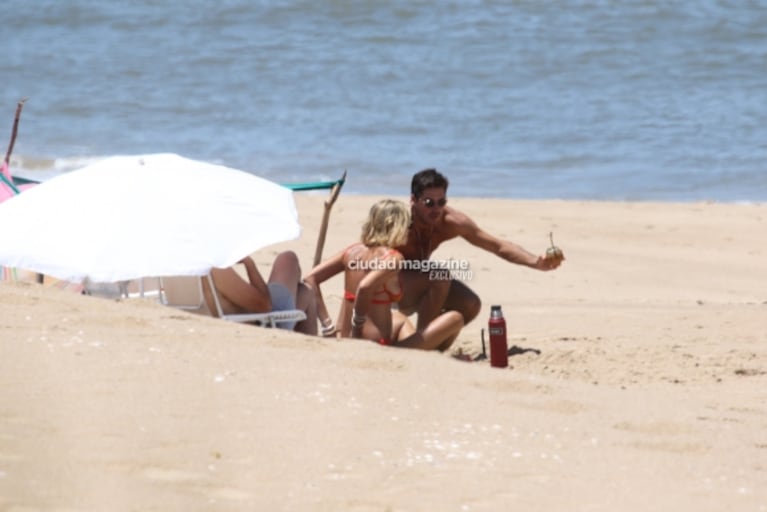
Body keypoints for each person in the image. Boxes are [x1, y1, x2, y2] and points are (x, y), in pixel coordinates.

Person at [397, 168, 565, 330]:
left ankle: (430, 345)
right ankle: (420, 343)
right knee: (440, 277)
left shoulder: (451, 222)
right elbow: (371, 253)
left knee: (470, 304)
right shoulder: (398, 222)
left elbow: (497, 246)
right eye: (429, 203)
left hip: (420, 280)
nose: (436, 209)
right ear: (413, 200)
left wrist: (536, 262)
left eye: (441, 202)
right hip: (389, 283)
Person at [304, 199, 463, 350]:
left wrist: (327, 326)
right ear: (398, 227)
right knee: (455, 318)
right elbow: (365, 287)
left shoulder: (352, 251)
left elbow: (310, 278)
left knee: (400, 319)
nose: (409, 230)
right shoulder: (393, 258)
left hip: (341, 336)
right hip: (375, 344)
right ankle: (431, 354)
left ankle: (424, 349)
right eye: (408, 225)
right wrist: (357, 329)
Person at [203, 250, 318, 335]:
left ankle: (311, 344)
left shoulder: (190, 265)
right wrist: (249, 264)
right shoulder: (214, 268)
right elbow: (265, 306)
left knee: (305, 291)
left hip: (240, 317)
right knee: (289, 259)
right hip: (262, 323)